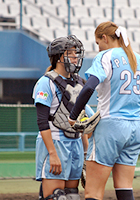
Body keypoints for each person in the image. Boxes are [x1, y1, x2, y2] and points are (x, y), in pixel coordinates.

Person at [68, 21, 140, 200]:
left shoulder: (106, 57)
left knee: (93, 192)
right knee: (125, 189)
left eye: (98, 43)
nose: (98, 48)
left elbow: (88, 88)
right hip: (135, 129)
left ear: (105, 38)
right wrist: (135, 115)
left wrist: (73, 117)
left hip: (110, 127)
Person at [33, 35, 95, 200]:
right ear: (59, 57)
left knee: (72, 197)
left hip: (75, 145)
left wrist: (85, 154)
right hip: (55, 143)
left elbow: (83, 120)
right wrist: (52, 154)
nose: (76, 58)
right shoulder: (46, 83)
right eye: (71, 54)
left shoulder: (79, 83)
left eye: (76, 53)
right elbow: (42, 121)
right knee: (56, 197)